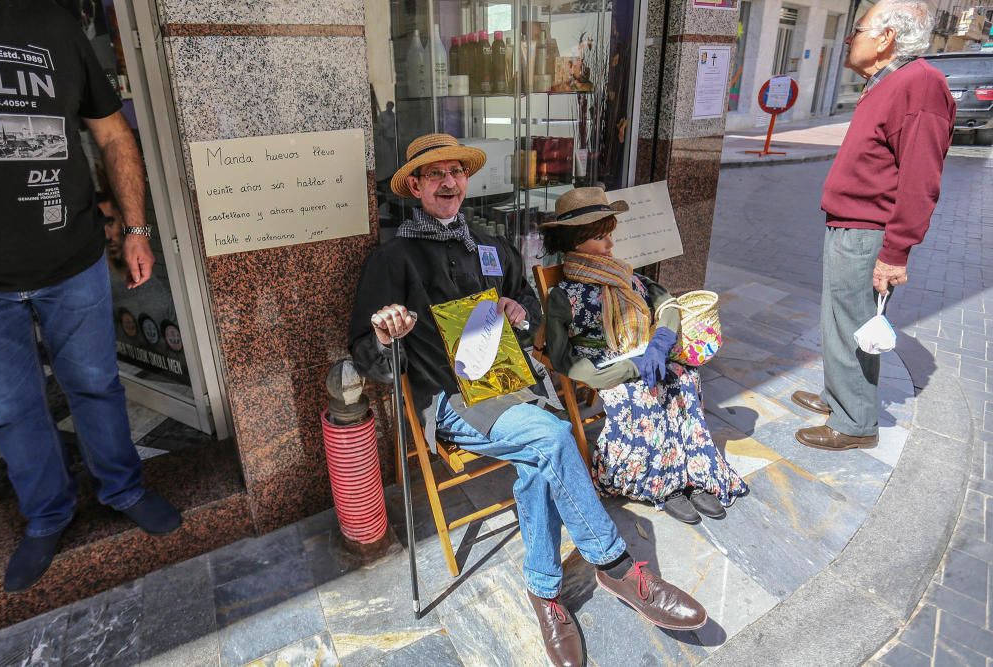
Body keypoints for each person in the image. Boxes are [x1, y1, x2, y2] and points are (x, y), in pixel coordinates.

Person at [350, 134, 707, 667]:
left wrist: (523, 312)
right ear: (416, 186)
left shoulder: (491, 240)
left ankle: (544, 593)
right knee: (555, 436)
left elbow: (533, 312)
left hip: (513, 387)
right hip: (451, 401)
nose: (449, 182)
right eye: (435, 175)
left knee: (541, 460)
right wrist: (384, 333)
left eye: (456, 172)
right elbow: (367, 356)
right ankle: (616, 568)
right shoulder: (393, 259)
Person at [0, 0, 182, 594]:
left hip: (70, 261)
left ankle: (123, 488)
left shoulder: (51, 26)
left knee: (96, 384)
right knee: (10, 407)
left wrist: (136, 228)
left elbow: (113, 133)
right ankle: (48, 515)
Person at [792, 0, 955, 451]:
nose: (850, 38)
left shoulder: (920, 84)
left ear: (887, 38)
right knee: (838, 321)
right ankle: (838, 398)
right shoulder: (888, 82)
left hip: (868, 232)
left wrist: (896, 252)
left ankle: (854, 422)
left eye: (858, 29)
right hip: (850, 224)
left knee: (853, 326)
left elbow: (921, 178)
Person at [541, 188, 748, 525]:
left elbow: (666, 302)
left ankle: (692, 473)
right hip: (608, 366)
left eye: (609, 235)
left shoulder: (627, 276)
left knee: (684, 379)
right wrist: (626, 369)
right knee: (642, 394)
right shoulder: (564, 295)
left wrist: (661, 341)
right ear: (576, 241)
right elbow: (565, 360)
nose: (610, 246)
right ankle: (660, 484)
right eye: (600, 238)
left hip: (643, 350)